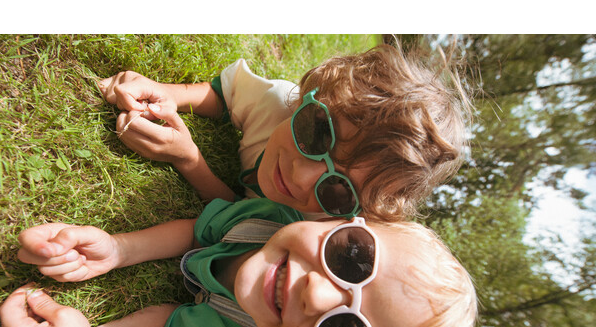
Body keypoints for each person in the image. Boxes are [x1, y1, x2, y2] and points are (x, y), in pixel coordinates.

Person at [0, 197, 476, 327]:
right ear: (344, 220)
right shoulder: (269, 219)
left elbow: (165, 326)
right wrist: (119, 249)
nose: (316, 296)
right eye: (353, 257)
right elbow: (198, 231)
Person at [98, 43, 470, 221]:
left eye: (339, 190)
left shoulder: (316, 223)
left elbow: (239, 218)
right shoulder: (276, 102)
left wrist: (188, 159)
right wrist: (169, 94)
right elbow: (226, 94)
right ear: (315, 95)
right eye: (318, 133)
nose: (302, 177)